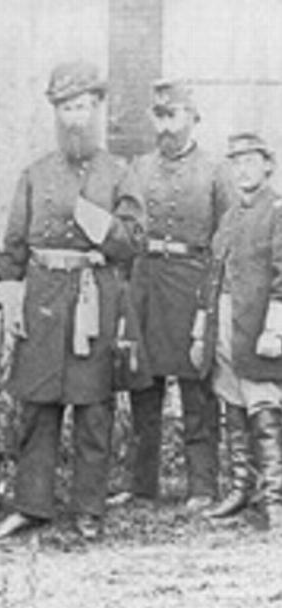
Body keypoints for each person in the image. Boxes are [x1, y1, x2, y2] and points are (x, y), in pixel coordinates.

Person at [0, 60, 146, 542]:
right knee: (37, 406)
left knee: (94, 409)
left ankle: (88, 508)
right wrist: (10, 293)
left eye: (83, 107)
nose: (75, 117)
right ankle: (32, 505)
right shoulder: (34, 173)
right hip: (43, 300)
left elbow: (134, 240)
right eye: (66, 108)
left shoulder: (119, 172)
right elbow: (13, 245)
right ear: (57, 114)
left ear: (96, 110)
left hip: (94, 301)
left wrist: (96, 222)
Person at [122, 80, 233, 511]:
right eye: (159, 116)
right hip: (146, 280)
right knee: (142, 384)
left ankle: (202, 485)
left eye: (173, 116)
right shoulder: (139, 168)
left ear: (192, 117)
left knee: (196, 387)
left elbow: (224, 239)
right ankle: (142, 486)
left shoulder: (214, 171)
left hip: (191, 283)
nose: (165, 126)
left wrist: (213, 296)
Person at [189, 132, 282, 530]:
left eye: (250, 160)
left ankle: (276, 498)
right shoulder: (228, 217)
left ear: (268, 166)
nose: (242, 169)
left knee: (264, 410)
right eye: (236, 162)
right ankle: (242, 488)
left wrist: (275, 330)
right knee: (232, 407)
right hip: (223, 323)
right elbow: (212, 276)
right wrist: (200, 331)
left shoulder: (278, 211)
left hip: (257, 324)